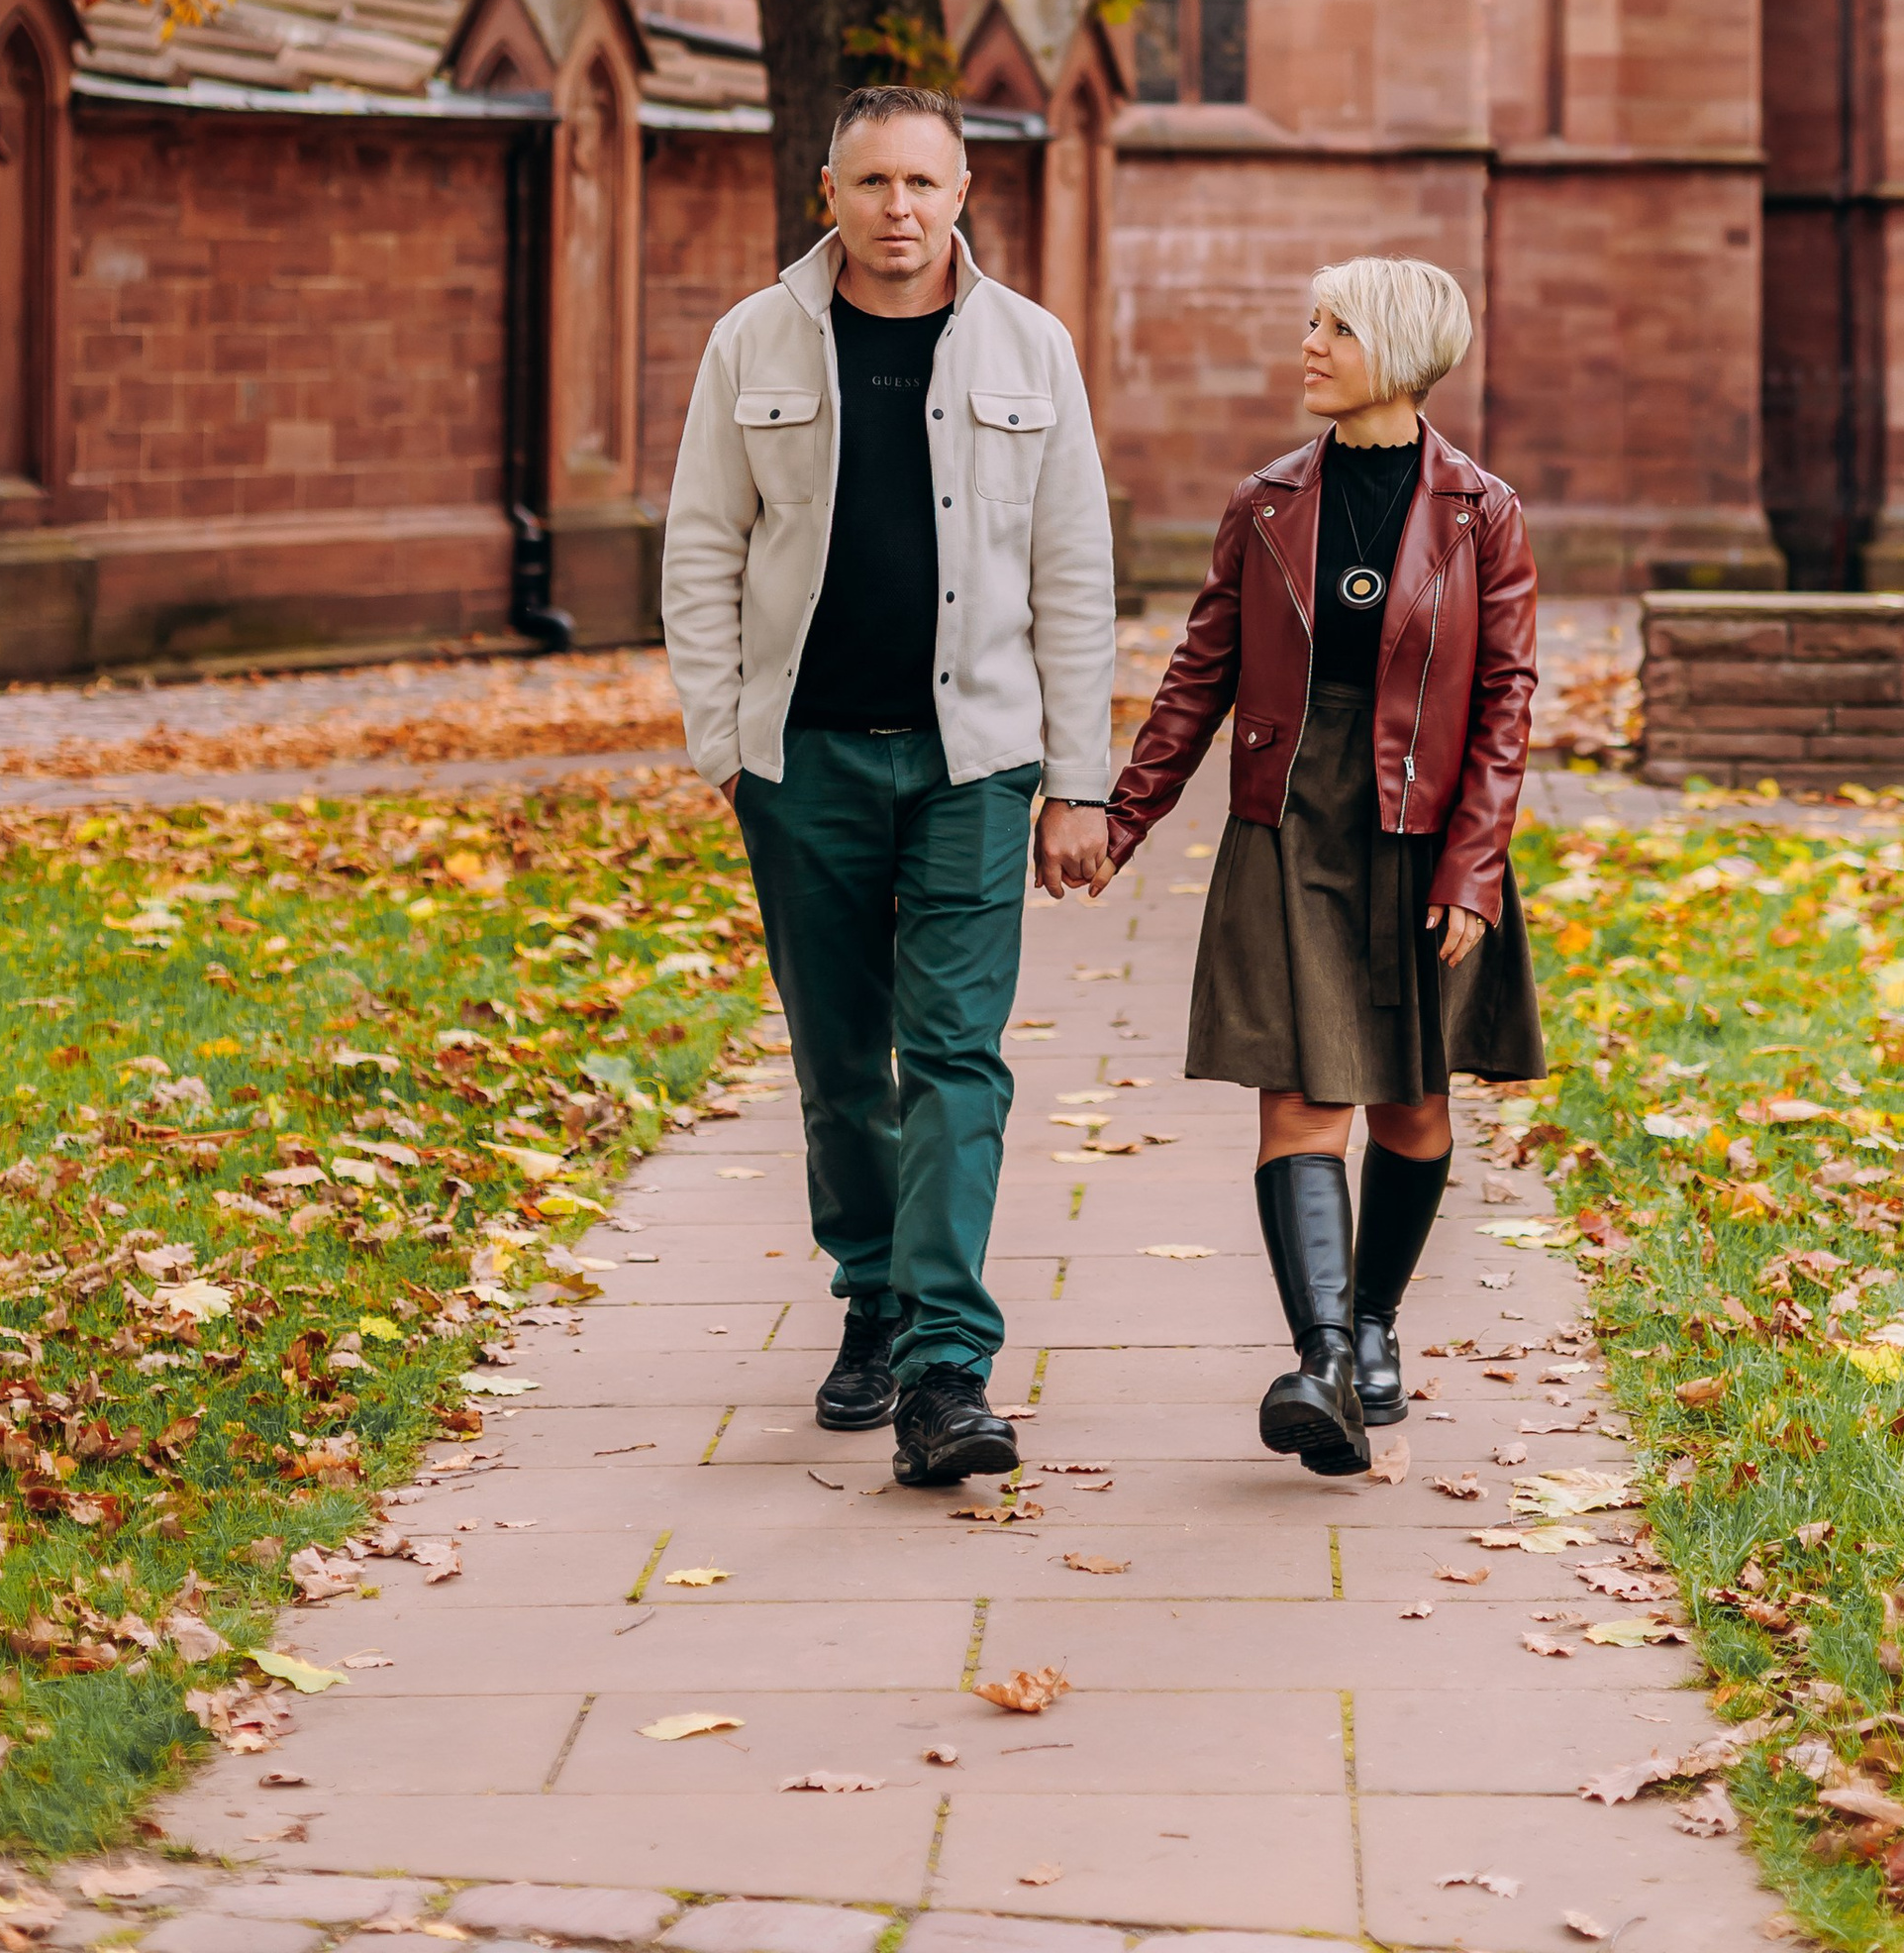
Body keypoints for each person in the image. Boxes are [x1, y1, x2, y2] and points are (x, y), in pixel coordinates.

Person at [660, 84, 1118, 1488]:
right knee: (841, 1063)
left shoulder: (1032, 349)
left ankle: (941, 1366)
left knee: (959, 1057)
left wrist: (1080, 783)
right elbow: (700, 549)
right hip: (803, 764)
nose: (899, 210)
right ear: (831, 193)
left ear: (965, 191)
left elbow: (1075, 575)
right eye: (873, 184)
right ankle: (870, 1287)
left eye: (924, 183)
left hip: (975, 765)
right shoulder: (754, 342)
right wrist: (724, 744)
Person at [1099, 257, 1541, 1474]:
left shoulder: (1480, 511)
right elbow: (1201, 670)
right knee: (1298, 1100)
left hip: (1424, 820)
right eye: (1309, 321)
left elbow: (1504, 700)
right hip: (1290, 816)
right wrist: (1124, 817)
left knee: (1408, 1106)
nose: (1307, 344)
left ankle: (1378, 1323)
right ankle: (1326, 1359)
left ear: (1393, 350)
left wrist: (1474, 871)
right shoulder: (1265, 501)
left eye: (1332, 327)